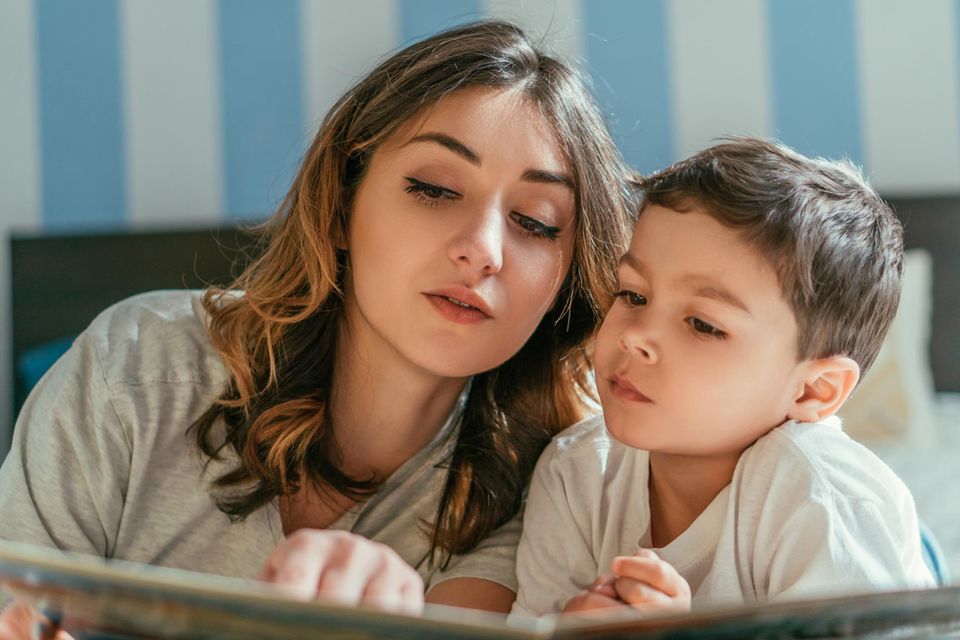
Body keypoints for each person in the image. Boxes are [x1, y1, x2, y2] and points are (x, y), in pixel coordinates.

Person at [0, 19, 635, 635]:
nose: (483, 249)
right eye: (436, 188)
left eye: (536, 222)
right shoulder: (135, 367)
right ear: (339, 207)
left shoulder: (540, 491)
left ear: (566, 280)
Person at [511, 138, 936, 618]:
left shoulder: (825, 502)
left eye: (703, 325)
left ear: (814, 390)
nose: (636, 338)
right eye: (632, 295)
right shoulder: (576, 472)